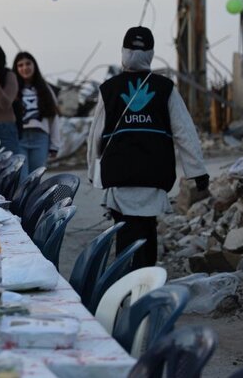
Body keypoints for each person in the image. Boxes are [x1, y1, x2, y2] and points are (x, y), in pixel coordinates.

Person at [86, 26, 209, 270]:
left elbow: (95, 136)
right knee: (147, 230)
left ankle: (123, 284)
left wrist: (93, 172)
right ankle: (146, 281)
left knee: (124, 233)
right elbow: (185, 132)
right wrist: (197, 171)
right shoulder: (165, 88)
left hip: (120, 177)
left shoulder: (109, 89)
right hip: (154, 176)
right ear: (151, 53)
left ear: (123, 51)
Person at [12, 51, 61, 179]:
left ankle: (33, 200)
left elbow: (53, 117)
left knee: (35, 179)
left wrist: (55, 145)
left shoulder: (45, 89)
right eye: (20, 65)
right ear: (16, 69)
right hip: (19, 138)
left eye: (28, 63)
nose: (25, 68)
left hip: (40, 138)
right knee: (21, 179)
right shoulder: (12, 89)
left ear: (34, 66)